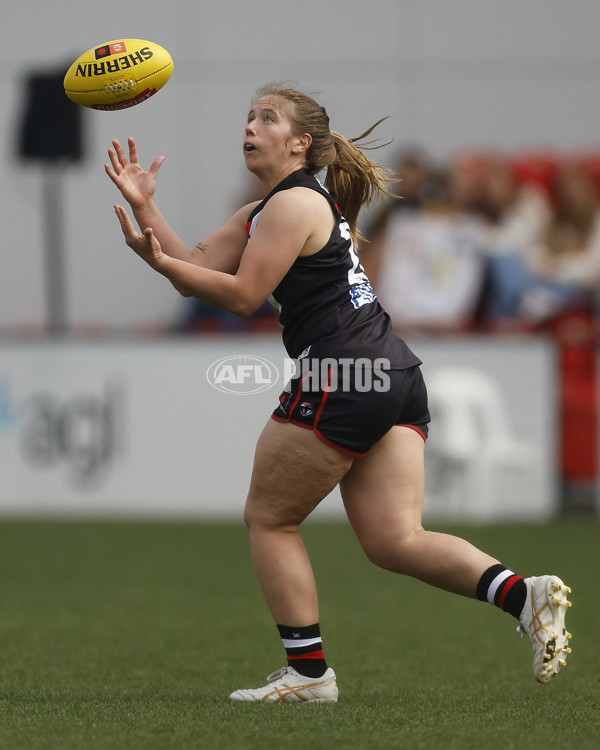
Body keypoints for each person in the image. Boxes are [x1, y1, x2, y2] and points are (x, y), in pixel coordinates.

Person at [105, 84, 572, 703]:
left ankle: (308, 674)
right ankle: (523, 594)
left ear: (300, 143)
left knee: (270, 519)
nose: (250, 126)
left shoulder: (290, 206)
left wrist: (161, 264)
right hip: (392, 376)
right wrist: (145, 208)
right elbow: (196, 264)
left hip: (343, 375)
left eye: (266, 118)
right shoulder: (270, 209)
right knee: (394, 540)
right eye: (248, 116)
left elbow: (240, 297)